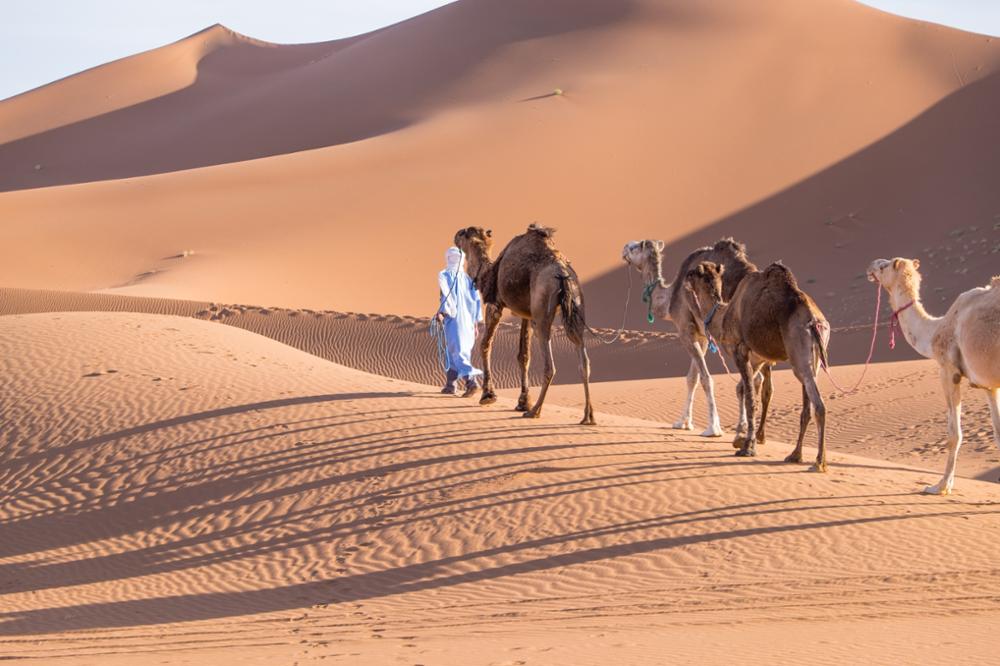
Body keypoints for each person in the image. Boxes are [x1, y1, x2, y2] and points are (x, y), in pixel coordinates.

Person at [436, 246, 483, 396]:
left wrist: (442, 312)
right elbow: (476, 301)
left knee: (458, 352)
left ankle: (471, 382)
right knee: (455, 351)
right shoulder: (468, 279)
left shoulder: (445, 276)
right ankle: (450, 385)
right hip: (468, 323)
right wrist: (475, 324)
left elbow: (447, 297)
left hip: (454, 320)